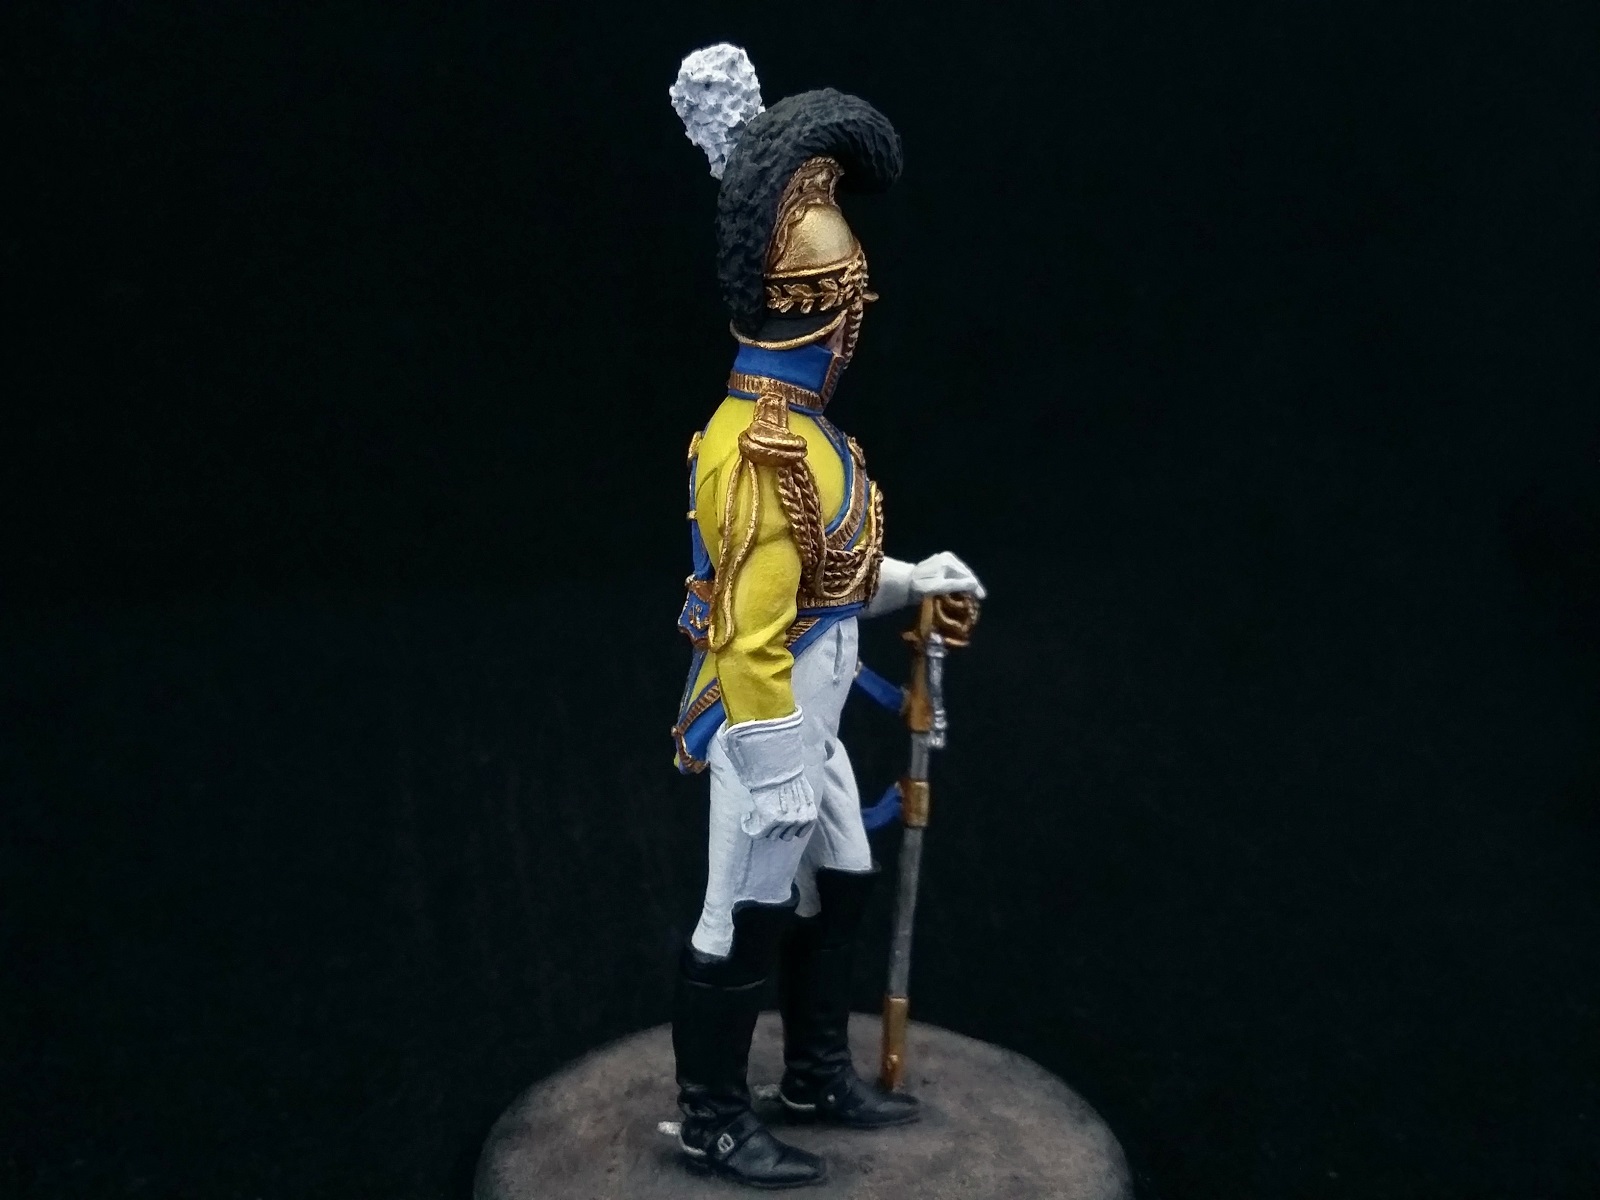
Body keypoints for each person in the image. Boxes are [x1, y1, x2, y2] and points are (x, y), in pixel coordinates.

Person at [666, 45, 985, 1189]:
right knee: (739, 911)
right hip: (766, 728)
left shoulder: (809, 438)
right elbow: (750, 635)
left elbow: (828, 577)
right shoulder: (760, 447)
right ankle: (711, 1117)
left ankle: (810, 1074)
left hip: (817, 721)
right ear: (827, 318)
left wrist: (915, 580)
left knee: (841, 875)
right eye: (850, 310)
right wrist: (774, 770)